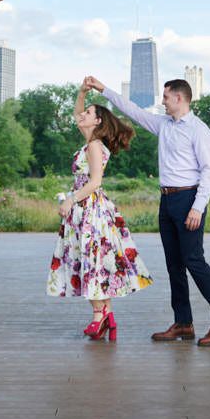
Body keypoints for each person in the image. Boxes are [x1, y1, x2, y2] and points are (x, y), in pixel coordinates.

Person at [83, 75, 210, 347]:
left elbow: (209, 171)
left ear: (179, 98)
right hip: (166, 200)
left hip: (189, 199)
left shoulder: (200, 130)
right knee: (174, 265)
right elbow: (132, 110)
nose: (162, 102)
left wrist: (198, 208)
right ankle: (184, 323)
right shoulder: (163, 124)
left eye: (166, 97)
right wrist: (103, 88)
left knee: (194, 261)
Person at [46, 81, 152, 340]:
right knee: (92, 261)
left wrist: (70, 200)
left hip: (90, 208)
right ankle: (106, 315)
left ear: (97, 122)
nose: (81, 115)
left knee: (93, 261)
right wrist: (82, 93)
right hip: (87, 209)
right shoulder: (90, 141)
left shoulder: (94, 145)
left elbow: (95, 182)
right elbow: (76, 113)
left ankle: (100, 315)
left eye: (88, 113)